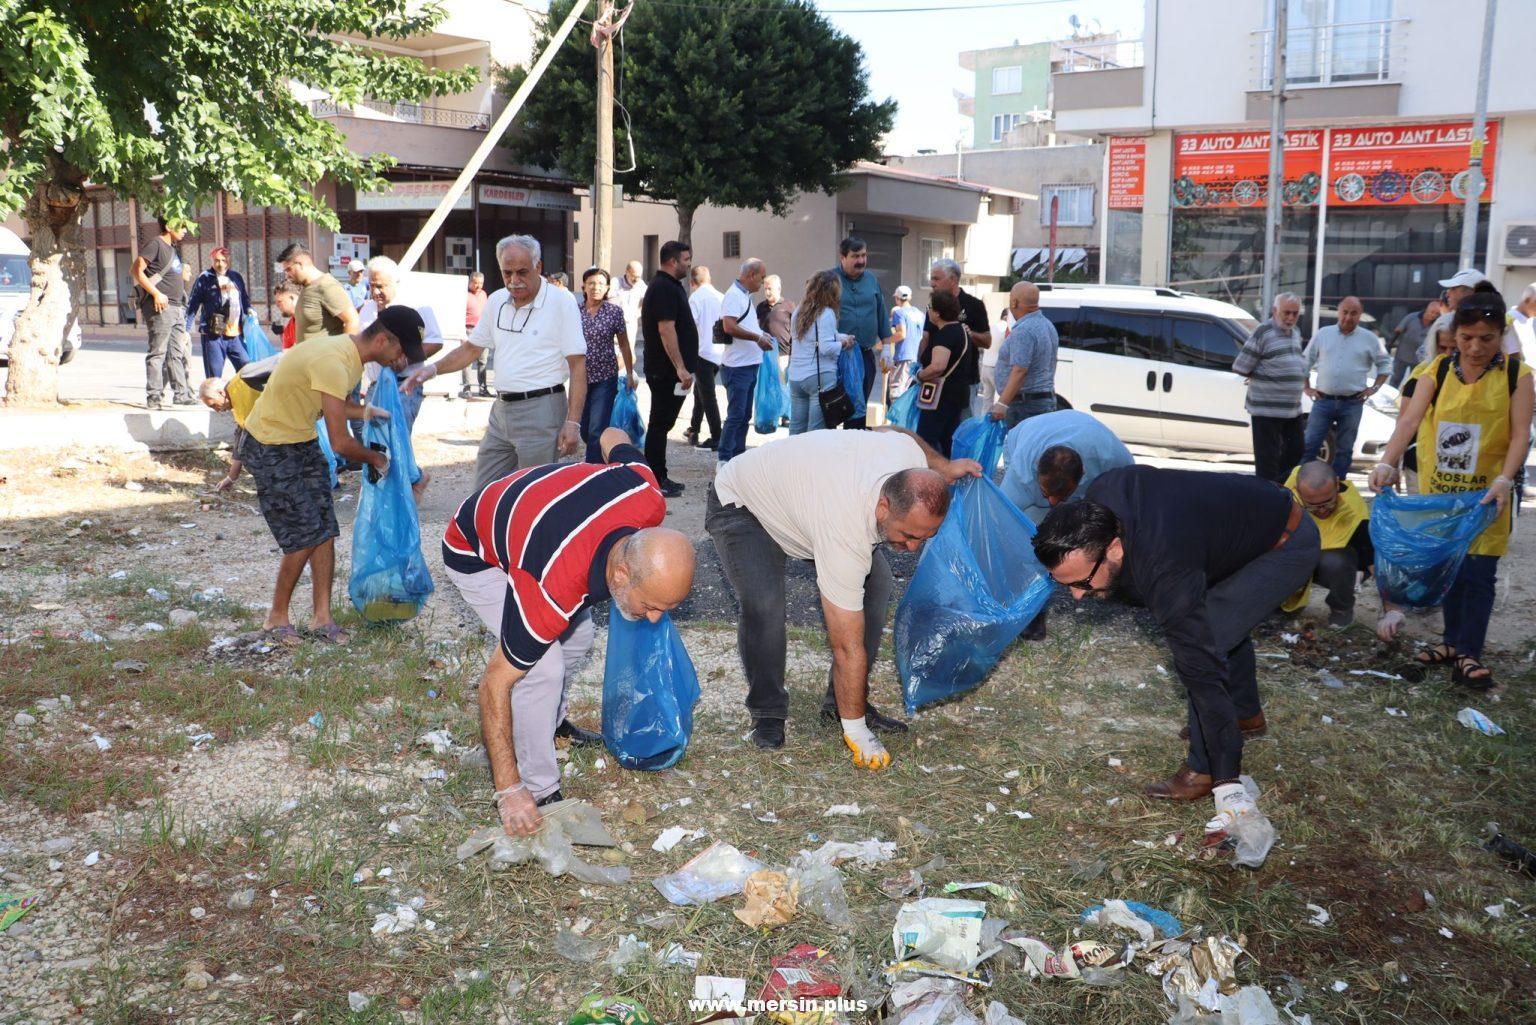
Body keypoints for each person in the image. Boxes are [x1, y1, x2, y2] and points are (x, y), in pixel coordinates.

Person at [444, 427, 695, 836]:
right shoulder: (550, 587)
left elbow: (613, 433)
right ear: (620, 573)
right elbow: (493, 685)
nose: (654, 620)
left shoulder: (646, 494)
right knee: (540, 669)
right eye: (651, 606)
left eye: (664, 609)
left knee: (578, 639)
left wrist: (591, 463)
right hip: (475, 547)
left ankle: (550, 724)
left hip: (539, 525)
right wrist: (508, 789)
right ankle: (540, 788)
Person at [1032, 467, 1319, 810]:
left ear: (1115, 548)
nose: (1077, 597)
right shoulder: (1101, 499)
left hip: (1284, 543)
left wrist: (1227, 782)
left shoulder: (1166, 571)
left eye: (1082, 583)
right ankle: (1245, 714)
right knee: (1224, 623)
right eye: (1063, 583)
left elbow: (1201, 672)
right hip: (1233, 524)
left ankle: (1205, 769)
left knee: (1210, 637)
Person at [705, 427, 982, 760]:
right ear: (883, 507)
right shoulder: (844, 530)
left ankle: (841, 704)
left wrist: (943, 465)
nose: (912, 548)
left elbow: (892, 430)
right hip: (744, 504)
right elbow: (846, 646)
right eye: (908, 535)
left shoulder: (906, 458)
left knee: (876, 583)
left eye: (925, 538)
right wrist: (857, 731)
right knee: (764, 604)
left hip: (805, 503)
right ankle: (768, 713)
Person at [1370, 290, 1534, 691]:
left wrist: (1503, 479)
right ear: (1454, 334)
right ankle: (1450, 644)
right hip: (1441, 496)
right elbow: (1408, 422)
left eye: (1487, 338)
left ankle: (1469, 652)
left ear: (1501, 335)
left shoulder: (1518, 376)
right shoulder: (1436, 371)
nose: (1475, 347)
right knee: (1451, 572)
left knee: (1479, 575)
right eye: (1467, 338)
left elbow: (1519, 436)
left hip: (1485, 498)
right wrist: (1387, 462)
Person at [240, 307, 422, 644]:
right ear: (382, 340)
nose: (400, 359)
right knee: (305, 532)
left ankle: (321, 618)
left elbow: (330, 404)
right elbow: (340, 443)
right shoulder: (335, 361)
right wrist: (377, 459)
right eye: (399, 350)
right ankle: (275, 619)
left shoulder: (346, 354)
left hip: (300, 437)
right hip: (270, 443)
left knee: (324, 529)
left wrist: (366, 411)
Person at [402, 235, 586, 492]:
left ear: (539, 267)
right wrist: (430, 370)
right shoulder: (497, 300)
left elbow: (578, 365)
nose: (514, 281)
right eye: (507, 273)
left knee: (532, 495)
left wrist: (573, 423)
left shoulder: (560, 302)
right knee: (484, 493)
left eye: (522, 272)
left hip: (542, 410)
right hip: (501, 411)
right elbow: (471, 348)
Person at [1300, 296, 1389, 480]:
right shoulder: (1323, 333)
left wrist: (1374, 389)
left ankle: (1338, 488)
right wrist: (1307, 388)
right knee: (1309, 445)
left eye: (1353, 313)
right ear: (1338, 313)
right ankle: (1301, 485)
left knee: (1345, 450)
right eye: (1345, 312)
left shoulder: (1370, 339)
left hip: (1352, 403)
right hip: (1323, 401)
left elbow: (1385, 365)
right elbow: (1305, 362)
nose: (1348, 317)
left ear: (1360, 315)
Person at [358, 255, 445, 435]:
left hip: (404, 384)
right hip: (375, 385)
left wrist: (405, 359)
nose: (375, 292)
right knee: (373, 439)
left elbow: (435, 342)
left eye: (380, 286)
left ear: (395, 282)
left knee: (398, 439)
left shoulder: (417, 306)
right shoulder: (367, 309)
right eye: (372, 286)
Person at [637, 241, 698, 496]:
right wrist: (681, 368)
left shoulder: (670, 286)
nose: (689, 264)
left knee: (663, 423)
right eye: (686, 259)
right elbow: (666, 329)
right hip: (665, 371)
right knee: (660, 424)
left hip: (669, 371)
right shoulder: (663, 287)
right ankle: (655, 479)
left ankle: (659, 475)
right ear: (672, 261)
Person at [1001, 409, 1134, 524]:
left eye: (1063, 495)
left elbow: (1129, 491)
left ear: (1083, 472)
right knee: (1031, 526)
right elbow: (999, 513)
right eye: (1046, 492)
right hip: (1024, 434)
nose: (1052, 502)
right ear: (1037, 464)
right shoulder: (1022, 472)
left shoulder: (1113, 456)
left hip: (1088, 433)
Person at [1282, 460, 1372, 628]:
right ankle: (1281, 603)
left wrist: (1392, 610)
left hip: (1333, 564)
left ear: (1337, 484)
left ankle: (1341, 609)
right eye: (1313, 506)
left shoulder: (1353, 511)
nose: (1322, 510)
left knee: (1338, 562)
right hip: (1295, 556)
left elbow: (1371, 560)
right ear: (1298, 491)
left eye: (1328, 502)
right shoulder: (1284, 491)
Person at [1231, 292, 1308, 484]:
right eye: (1286, 313)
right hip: (1266, 408)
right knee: (1268, 459)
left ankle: (1281, 490)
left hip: (1291, 409)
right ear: (1275, 311)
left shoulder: (1296, 332)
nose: (1291, 318)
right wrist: (1267, 377)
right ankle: (1267, 496)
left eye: (1295, 313)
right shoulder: (1263, 332)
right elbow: (1240, 366)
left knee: (1296, 451)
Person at [131, 216, 195, 409]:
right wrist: (156, 293)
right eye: (181, 226)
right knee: (157, 353)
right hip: (161, 307)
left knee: (177, 353)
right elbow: (136, 270)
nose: (185, 230)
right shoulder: (156, 244)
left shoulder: (172, 249)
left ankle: (181, 394)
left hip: (177, 307)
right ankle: (154, 396)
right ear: (168, 226)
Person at [576, 266, 636, 463]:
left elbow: (625, 344)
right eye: (592, 283)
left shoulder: (613, 312)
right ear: (583, 286)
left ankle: (593, 471)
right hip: (580, 378)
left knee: (596, 428)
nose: (596, 287)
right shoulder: (575, 312)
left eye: (601, 284)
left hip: (605, 377)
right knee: (584, 428)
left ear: (607, 287)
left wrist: (629, 372)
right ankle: (598, 453)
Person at [716, 258, 774, 463]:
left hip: (747, 365)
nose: (763, 282)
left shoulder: (743, 295)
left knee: (744, 415)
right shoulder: (733, 295)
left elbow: (744, 324)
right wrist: (757, 337)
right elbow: (729, 327)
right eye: (762, 277)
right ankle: (724, 459)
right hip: (737, 367)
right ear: (751, 275)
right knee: (736, 415)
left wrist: (761, 334)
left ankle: (737, 457)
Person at [833, 237, 892, 428]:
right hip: (835, 355)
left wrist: (887, 347)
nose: (861, 261)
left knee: (859, 411)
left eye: (864, 255)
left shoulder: (871, 280)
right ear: (842, 257)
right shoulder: (829, 280)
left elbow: (881, 313)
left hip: (865, 356)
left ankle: (855, 451)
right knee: (832, 408)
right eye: (855, 256)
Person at [913, 291, 976, 457]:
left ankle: (932, 477)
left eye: (930, 308)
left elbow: (937, 367)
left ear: (938, 313)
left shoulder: (946, 334)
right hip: (956, 395)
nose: (928, 311)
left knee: (926, 441)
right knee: (947, 440)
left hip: (940, 398)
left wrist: (919, 375)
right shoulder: (961, 331)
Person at [787, 270, 851, 434]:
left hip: (796, 376)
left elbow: (811, 338)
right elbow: (826, 347)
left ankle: (791, 459)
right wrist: (844, 343)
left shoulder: (798, 312)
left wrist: (839, 337)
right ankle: (813, 460)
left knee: (796, 430)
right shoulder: (827, 313)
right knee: (816, 433)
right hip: (818, 377)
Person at [990, 282, 1058, 428]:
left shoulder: (1024, 330)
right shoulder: (1048, 325)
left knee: (1020, 449)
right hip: (1042, 399)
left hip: (1024, 404)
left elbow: (1020, 370)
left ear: (1014, 302)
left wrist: (1002, 404)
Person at [185, 247, 252, 378]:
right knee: (214, 376)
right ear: (212, 261)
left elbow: (244, 298)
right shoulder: (205, 278)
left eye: (223, 260)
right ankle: (214, 398)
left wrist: (249, 309)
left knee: (246, 368)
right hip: (213, 335)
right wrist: (186, 330)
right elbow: (193, 304)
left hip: (235, 334)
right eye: (217, 260)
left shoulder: (236, 277)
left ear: (228, 260)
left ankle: (240, 397)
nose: (220, 264)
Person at [198, 363, 265, 491]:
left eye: (213, 405)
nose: (217, 410)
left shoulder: (244, 380)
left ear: (220, 393)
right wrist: (231, 478)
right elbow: (241, 444)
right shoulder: (237, 406)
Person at [278, 241, 359, 343]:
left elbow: (352, 320)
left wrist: (343, 355)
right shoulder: (306, 287)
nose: (287, 275)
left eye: (288, 269)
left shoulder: (327, 286)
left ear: (300, 264)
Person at [685, 265, 723, 451]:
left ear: (692, 283)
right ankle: (694, 427)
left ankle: (717, 435)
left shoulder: (696, 298)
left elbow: (690, 328)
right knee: (700, 393)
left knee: (708, 396)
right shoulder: (721, 296)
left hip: (702, 352)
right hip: (720, 353)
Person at [1389, 300, 1441, 389]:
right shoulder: (1411, 317)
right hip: (1402, 355)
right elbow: (1398, 331)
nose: (1434, 315)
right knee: (1395, 379)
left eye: (1437, 314)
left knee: (1413, 382)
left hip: (1419, 360)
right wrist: (1389, 345)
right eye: (1432, 312)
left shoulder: (1437, 324)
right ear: (1427, 309)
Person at [885, 285, 923, 400]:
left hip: (903, 358)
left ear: (897, 298)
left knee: (897, 395)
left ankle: (896, 418)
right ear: (910, 297)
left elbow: (901, 334)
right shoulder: (920, 314)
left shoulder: (899, 313)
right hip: (917, 359)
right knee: (911, 396)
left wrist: (884, 342)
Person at [460, 271, 492, 399]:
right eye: (476, 283)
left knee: (483, 361)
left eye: (481, 283)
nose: (478, 286)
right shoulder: (464, 295)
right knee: (467, 361)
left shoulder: (484, 294)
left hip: (483, 330)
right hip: (469, 330)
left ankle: (483, 388)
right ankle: (467, 388)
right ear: (470, 282)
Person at [614, 259, 648, 372]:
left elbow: (647, 301)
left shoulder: (641, 285)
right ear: (627, 272)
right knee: (617, 353)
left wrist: (637, 313)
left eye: (639, 276)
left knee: (629, 355)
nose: (636, 279)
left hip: (630, 325)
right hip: (615, 325)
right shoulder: (616, 282)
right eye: (634, 276)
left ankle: (620, 376)